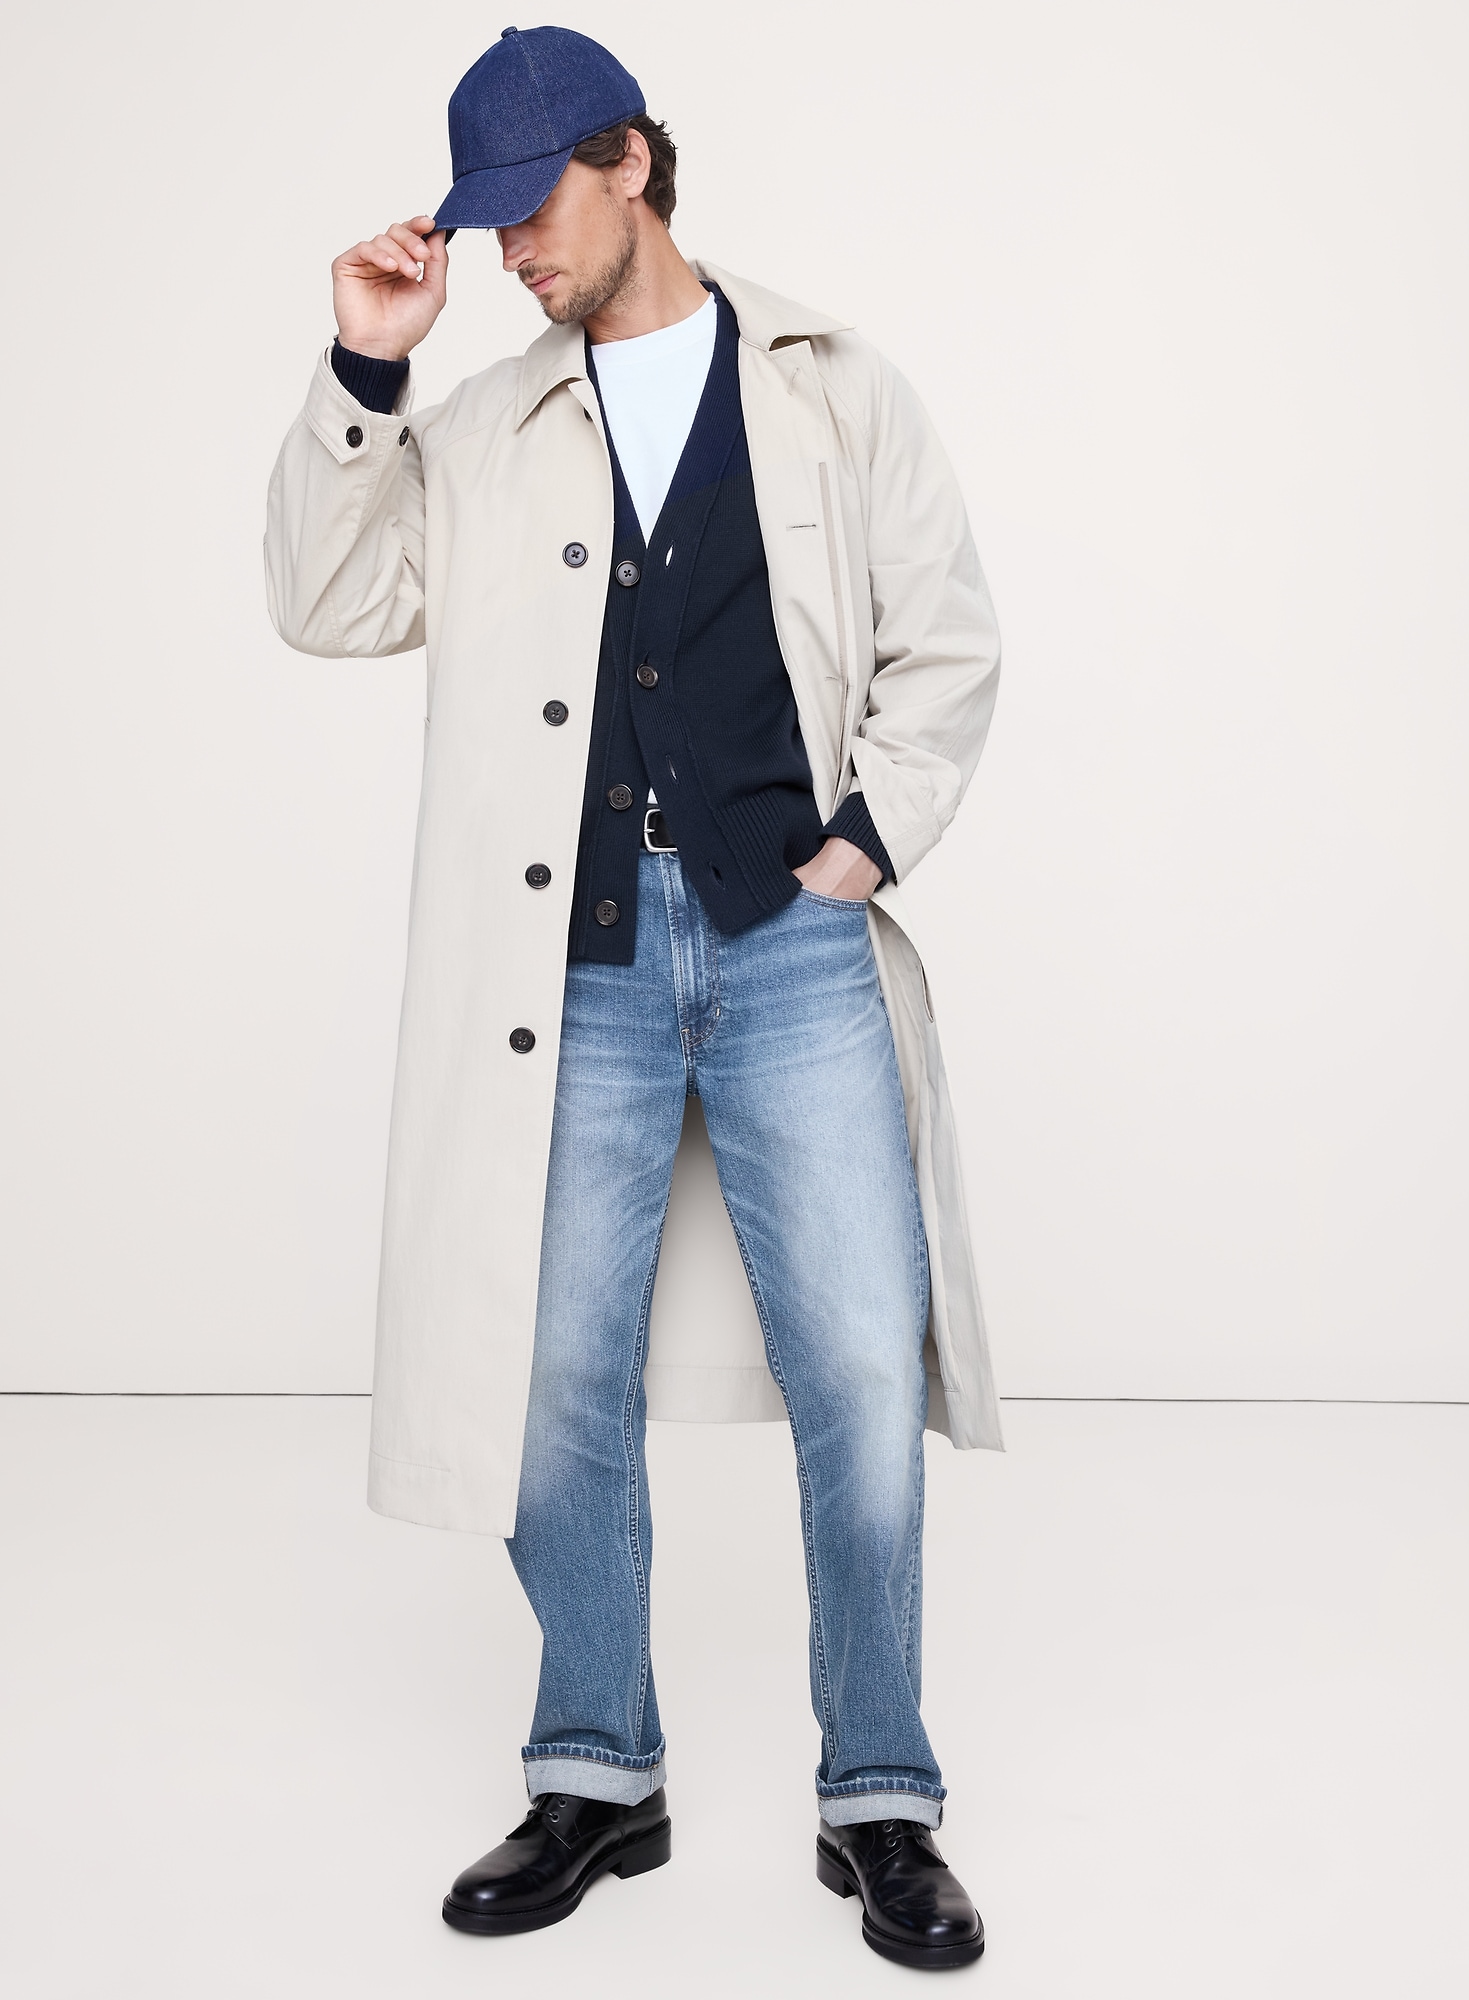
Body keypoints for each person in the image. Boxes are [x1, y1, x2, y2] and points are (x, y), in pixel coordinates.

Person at [265, 24, 1000, 1972]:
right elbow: (325, 600)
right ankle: (599, 1768)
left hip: (788, 940)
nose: (513, 250)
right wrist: (367, 365)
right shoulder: (480, 425)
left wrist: (866, 837)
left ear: (632, 163)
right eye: (488, 223)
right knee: (543, 1377)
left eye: (536, 209)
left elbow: (946, 639)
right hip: (566, 962)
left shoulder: (833, 384)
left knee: (863, 1369)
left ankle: (882, 1796)